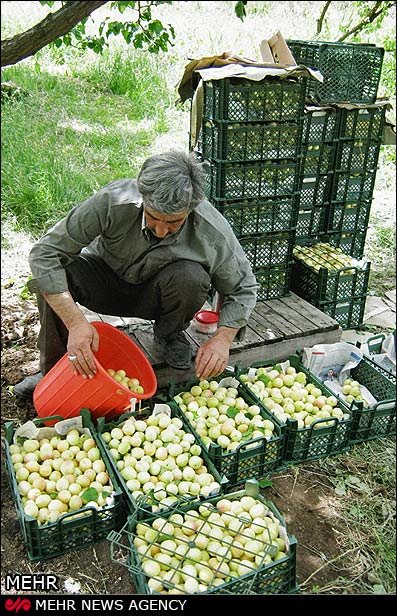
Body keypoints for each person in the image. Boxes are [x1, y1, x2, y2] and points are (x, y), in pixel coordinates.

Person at [14, 150, 258, 400]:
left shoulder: (211, 230)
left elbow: (244, 286)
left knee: (192, 277)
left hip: (156, 297)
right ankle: (54, 368)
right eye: (153, 218)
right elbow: (44, 253)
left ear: (191, 209)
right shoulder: (112, 201)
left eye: (174, 223)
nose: (162, 230)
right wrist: (76, 323)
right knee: (54, 276)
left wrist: (223, 339)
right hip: (104, 282)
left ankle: (168, 336)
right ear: (143, 197)